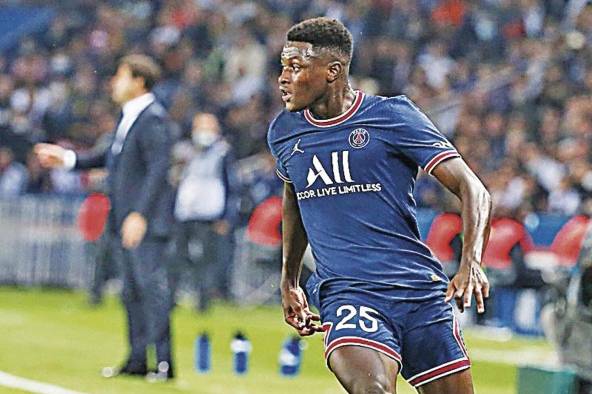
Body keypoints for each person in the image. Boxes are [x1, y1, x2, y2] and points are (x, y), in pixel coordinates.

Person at [268, 18, 492, 394]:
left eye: (296, 66)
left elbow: (473, 188)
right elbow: (295, 197)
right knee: (372, 389)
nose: (283, 77)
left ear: (332, 71)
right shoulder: (284, 131)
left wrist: (471, 262)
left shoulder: (391, 116)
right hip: (349, 294)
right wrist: (289, 279)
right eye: (283, 66)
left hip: (419, 294)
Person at [35, 54, 176, 381]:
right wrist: (67, 159)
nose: (114, 81)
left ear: (139, 81)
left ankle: (165, 363)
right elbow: (104, 156)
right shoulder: (128, 118)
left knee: (151, 290)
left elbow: (158, 171)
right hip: (124, 219)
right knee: (131, 292)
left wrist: (140, 213)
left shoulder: (153, 118)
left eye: (121, 75)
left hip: (143, 223)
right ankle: (138, 359)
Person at [171, 112, 235, 311]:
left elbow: (231, 185)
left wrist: (226, 215)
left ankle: (203, 300)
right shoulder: (184, 151)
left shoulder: (223, 152)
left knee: (206, 259)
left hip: (210, 212)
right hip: (185, 210)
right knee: (177, 255)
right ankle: (172, 296)